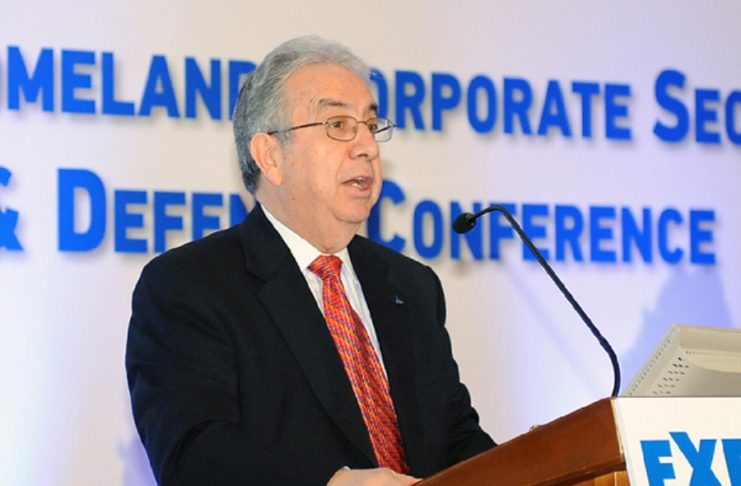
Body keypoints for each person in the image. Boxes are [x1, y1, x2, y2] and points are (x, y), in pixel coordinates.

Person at [126, 36, 494, 486]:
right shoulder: (190, 285)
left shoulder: (410, 285)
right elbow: (194, 454)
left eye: (370, 124)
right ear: (270, 156)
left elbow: (457, 439)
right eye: (338, 124)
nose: (367, 146)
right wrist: (333, 483)